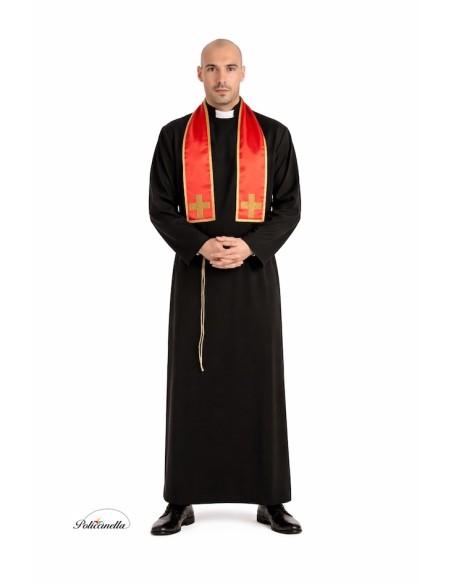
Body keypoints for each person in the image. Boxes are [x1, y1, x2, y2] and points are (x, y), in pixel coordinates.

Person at [148, 38, 302, 535]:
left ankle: (270, 499)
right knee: (192, 385)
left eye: (230, 68)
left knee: (260, 383)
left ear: (243, 72)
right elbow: (160, 207)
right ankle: (181, 499)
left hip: (254, 277)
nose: (221, 78)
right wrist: (200, 245)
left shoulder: (274, 135)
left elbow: (289, 207)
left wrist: (251, 247)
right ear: (199, 73)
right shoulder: (174, 136)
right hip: (196, 277)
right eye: (212, 68)